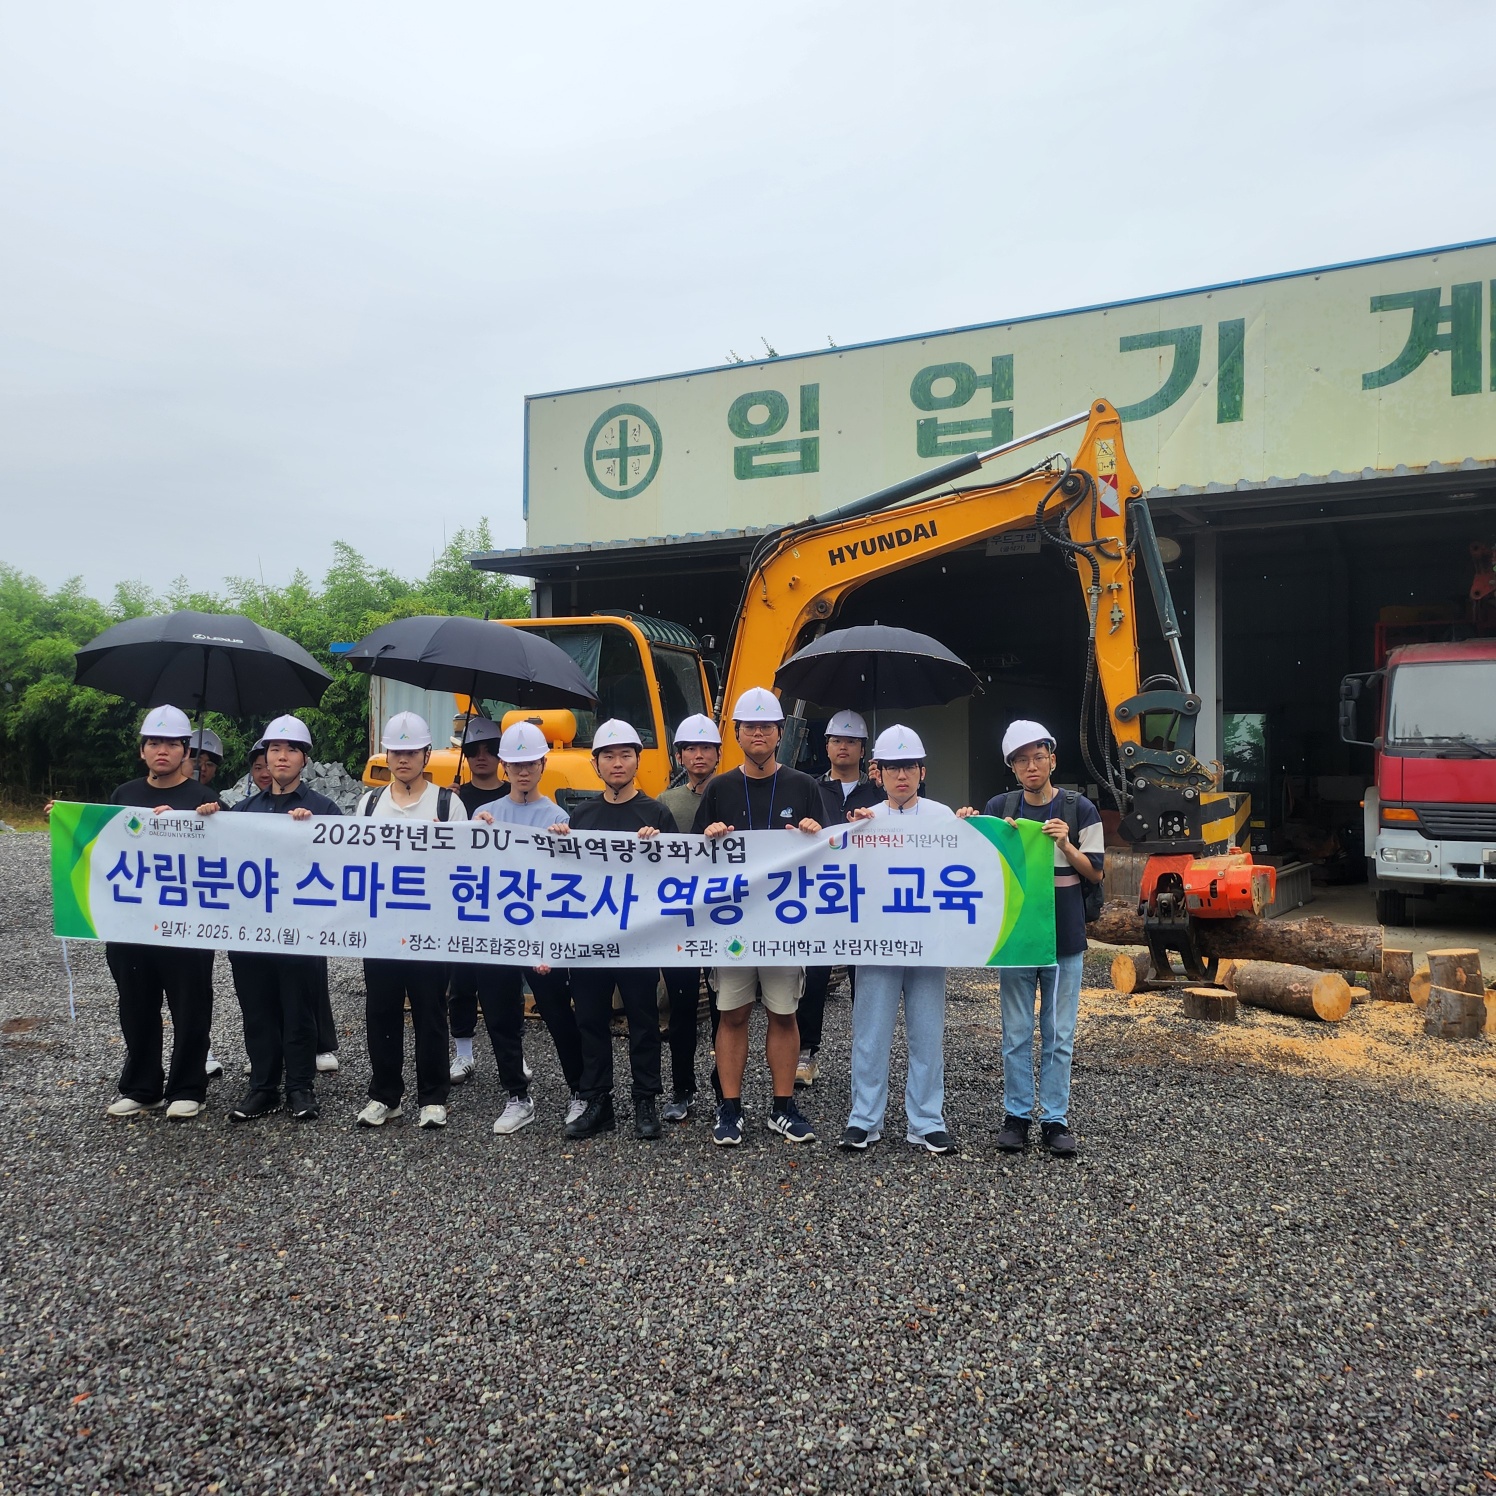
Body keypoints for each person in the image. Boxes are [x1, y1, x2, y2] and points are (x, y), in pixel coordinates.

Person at [958, 720, 1103, 1159]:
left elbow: (1096, 872)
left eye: (1039, 756)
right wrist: (970, 824)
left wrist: (1067, 845)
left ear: (1052, 759)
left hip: (1065, 938)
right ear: (1013, 767)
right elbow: (979, 862)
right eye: (1022, 760)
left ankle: (1055, 1118)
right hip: (1018, 938)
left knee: (1059, 1033)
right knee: (1017, 1032)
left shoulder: (1080, 809)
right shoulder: (999, 806)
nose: (1032, 766)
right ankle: (1017, 1116)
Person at [694, 687, 822, 1147]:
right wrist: (708, 835)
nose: (759, 734)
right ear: (737, 733)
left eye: (767, 726)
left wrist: (814, 832)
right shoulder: (719, 788)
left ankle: (782, 1108)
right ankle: (730, 1108)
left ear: (780, 732)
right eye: (750, 726)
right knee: (732, 1014)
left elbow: (829, 856)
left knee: (784, 1015)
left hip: (785, 924)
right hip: (733, 924)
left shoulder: (804, 787)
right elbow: (691, 860)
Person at [197, 715, 340, 1123]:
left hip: (301, 932)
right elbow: (216, 856)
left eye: (291, 750)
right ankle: (262, 1087)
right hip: (251, 933)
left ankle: (299, 1087)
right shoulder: (243, 811)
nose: (281, 757)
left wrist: (313, 832)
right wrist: (206, 818)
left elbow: (344, 865)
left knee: (299, 1011)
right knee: (257, 1010)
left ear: (304, 759)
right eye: (274, 749)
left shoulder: (324, 810)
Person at [458, 718, 588, 1137]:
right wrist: (473, 834)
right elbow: (470, 872)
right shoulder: (487, 815)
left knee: (557, 1012)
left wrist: (551, 943)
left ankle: (579, 1090)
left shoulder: (557, 816)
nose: (523, 771)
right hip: (497, 934)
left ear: (543, 764)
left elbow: (563, 884)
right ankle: (517, 1095)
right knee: (500, 1016)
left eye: (531, 763)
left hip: (540, 936)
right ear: (505, 767)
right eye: (516, 764)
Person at [548, 719, 675, 1141]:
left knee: (643, 1020)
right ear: (596, 763)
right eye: (608, 756)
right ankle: (597, 1100)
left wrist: (659, 847)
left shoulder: (656, 814)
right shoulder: (581, 816)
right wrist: (559, 841)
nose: (617, 763)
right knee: (590, 1019)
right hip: (591, 938)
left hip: (638, 937)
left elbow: (678, 875)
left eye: (625, 755)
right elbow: (565, 876)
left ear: (637, 761)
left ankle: (645, 1100)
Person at [101, 706, 224, 1121]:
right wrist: (67, 820)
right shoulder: (123, 795)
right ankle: (142, 1087)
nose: (162, 750)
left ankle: (189, 1088)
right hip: (131, 923)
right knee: (136, 1006)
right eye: (154, 742)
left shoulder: (205, 799)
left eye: (172, 743)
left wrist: (203, 822)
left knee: (190, 1008)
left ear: (186, 751)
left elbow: (227, 855)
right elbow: (104, 846)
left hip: (187, 925)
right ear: (142, 750)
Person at [838, 726, 956, 1154]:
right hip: (878, 943)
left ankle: (926, 1121)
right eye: (892, 768)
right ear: (878, 773)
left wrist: (973, 827)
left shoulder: (945, 817)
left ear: (922, 771)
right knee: (870, 1033)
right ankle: (864, 1119)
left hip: (928, 944)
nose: (901, 776)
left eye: (908, 767)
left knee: (927, 1034)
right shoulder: (863, 820)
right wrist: (845, 836)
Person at [354, 712, 469, 1131]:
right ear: (387, 755)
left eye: (412, 752)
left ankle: (433, 1097)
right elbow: (354, 861)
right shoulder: (369, 804)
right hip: (381, 925)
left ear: (426, 755)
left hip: (429, 926)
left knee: (430, 1010)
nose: (403, 759)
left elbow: (465, 865)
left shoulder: (447, 804)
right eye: (396, 752)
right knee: (381, 1009)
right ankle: (385, 1096)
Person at [798, 710, 882, 1088]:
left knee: (865, 979)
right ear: (827, 746)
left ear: (863, 749)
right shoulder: (809, 789)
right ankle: (806, 1053)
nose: (843, 747)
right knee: (814, 975)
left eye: (851, 741)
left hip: (867, 898)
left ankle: (867, 1057)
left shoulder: (878, 793)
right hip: (822, 896)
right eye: (836, 740)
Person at [447, 716, 526, 1089]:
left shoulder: (514, 797)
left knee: (508, 984)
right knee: (461, 980)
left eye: (490, 749)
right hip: (464, 901)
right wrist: (447, 806)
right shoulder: (453, 799)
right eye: (472, 750)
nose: (481, 757)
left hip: (505, 902)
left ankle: (514, 1052)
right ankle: (463, 1052)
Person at [655, 712, 722, 1122]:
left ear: (718, 753)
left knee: (723, 1009)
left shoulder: (732, 792)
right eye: (691, 748)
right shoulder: (665, 802)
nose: (699, 755)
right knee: (680, 1011)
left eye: (706, 748)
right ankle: (682, 1089)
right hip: (679, 919)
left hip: (723, 917)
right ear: (680, 755)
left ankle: (724, 1090)